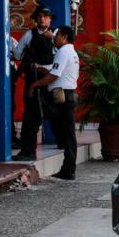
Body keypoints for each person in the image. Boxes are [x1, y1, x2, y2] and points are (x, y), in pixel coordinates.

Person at [26, 27, 79, 180]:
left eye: (56, 36)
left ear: (64, 36)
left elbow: (54, 75)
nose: (54, 38)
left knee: (34, 114)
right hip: (67, 95)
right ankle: (68, 169)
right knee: (67, 134)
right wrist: (42, 69)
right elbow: (56, 71)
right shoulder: (71, 52)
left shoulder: (63, 52)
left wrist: (34, 85)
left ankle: (27, 150)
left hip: (61, 96)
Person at [12, 5, 56, 161]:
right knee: (31, 116)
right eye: (39, 16)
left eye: (45, 16)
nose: (42, 19)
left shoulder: (57, 37)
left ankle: (31, 150)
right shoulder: (29, 35)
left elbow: (60, 60)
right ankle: (28, 150)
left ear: (50, 19)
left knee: (50, 113)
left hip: (50, 80)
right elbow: (17, 54)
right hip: (33, 79)